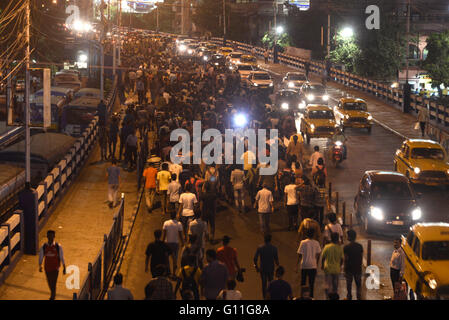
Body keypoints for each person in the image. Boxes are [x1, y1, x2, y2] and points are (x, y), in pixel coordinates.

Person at [38, 230, 66, 300]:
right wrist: (40, 265)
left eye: (52, 236)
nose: (51, 237)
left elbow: (62, 257)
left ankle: (52, 296)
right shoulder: (44, 247)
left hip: (55, 268)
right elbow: (41, 256)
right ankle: (53, 293)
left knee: (54, 282)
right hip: (47, 268)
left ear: (54, 236)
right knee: (50, 282)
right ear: (47, 236)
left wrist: (64, 267)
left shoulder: (58, 246)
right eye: (49, 236)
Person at [296, 228, 321, 298]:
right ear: (313, 235)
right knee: (311, 284)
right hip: (313, 266)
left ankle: (302, 297)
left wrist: (296, 265)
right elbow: (318, 254)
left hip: (304, 265)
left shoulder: (302, 242)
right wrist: (316, 263)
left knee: (303, 283)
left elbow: (299, 255)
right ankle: (311, 297)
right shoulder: (316, 243)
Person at [253, 234, 279, 299]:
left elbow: (255, 258)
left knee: (264, 284)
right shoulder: (274, 248)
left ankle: (264, 298)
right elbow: (276, 260)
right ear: (270, 240)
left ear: (264, 240)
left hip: (263, 269)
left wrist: (256, 267)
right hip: (271, 268)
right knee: (271, 283)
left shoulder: (260, 247)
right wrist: (278, 267)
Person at [321, 232, 344, 298]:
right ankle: (334, 295)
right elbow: (342, 259)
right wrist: (340, 266)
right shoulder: (339, 248)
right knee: (335, 283)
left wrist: (322, 265)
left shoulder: (326, 247)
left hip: (327, 268)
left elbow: (323, 258)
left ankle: (328, 296)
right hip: (336, 268)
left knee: (328, 284)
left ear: (331, 238)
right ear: (337, 239)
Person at [344, 229, 364, 300]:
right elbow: (361, 257)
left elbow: (345, 259)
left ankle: (349, 297)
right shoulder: (360, 246)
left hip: (349, 269)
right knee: (358, 286)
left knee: (349, 286)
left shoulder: (346, 247)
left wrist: (344, 269)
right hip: (358, 268)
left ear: (349, 237)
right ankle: (359, 297)